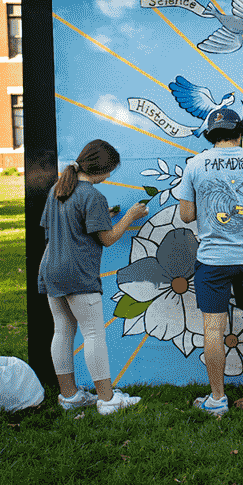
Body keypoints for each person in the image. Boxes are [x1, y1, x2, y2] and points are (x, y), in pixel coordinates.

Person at [176, 107, 243, 416]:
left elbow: (186, 215)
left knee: (212, 328)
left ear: (210, 132)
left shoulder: (195, 165)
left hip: (213, 260)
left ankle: (217, 399)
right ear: (241, 130)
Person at [39, 139, 148, 415]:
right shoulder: (93, 197)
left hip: (51, 269)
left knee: (62, 331)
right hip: (78, 273)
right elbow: (108, 239)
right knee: (93, 334)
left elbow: (58, 225)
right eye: (110, 170)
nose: (110, 176)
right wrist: (130, 216)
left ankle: (70, 396)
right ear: (100, 169)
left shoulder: (58, 189)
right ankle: (108, 400)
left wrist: (104, 215)